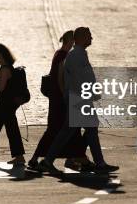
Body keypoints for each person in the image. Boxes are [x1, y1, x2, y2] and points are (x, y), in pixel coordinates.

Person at [38, 27, 118, 174]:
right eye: (89, 36)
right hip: (79, 99)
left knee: (84, 130)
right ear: (81, 38)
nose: (91, 38)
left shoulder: (79, 54)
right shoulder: (76, 56)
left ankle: (51, 160)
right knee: (73, 131)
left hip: (80, 99)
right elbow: (79, 80)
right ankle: (50, 160)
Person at [28, 31, 91, 171]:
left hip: (56, 99)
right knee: (56, 131)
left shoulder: (58, 53)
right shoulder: (64, 56)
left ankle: (73, 158)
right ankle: (35, 159)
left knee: (68, 131)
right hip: (60, 101)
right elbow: (60, 79)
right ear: (70, 41)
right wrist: (66, 97)